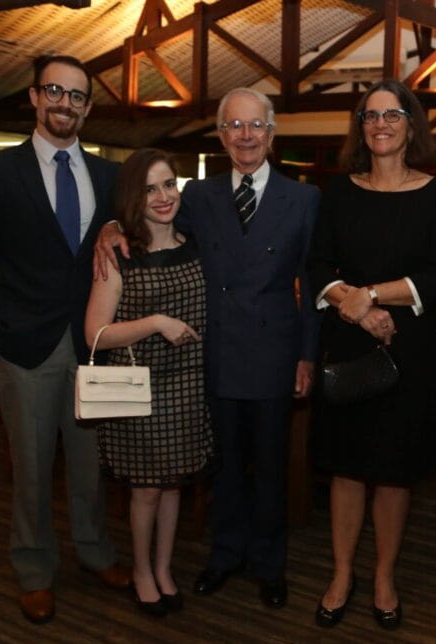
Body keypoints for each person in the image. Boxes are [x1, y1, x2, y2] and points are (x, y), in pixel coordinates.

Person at [95, 87, 321, 609]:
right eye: (234, 126)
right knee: (222, 466)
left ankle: (269, 564)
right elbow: (148, 221)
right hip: (212, 355)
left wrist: (307, 355)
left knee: (271, 468)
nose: (245, 135)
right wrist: (110, 226)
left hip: (274, 354)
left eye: (256, 125)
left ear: (271, 133)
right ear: (221, 135)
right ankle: (225, 555)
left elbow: (311, 285)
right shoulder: (198, 195)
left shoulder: (304, 199)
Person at [0, 54, 130, 625]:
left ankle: (95, 552)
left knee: (90, 465)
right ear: (34, 96)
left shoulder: (108, 176)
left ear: (87, 108)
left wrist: (117, 225)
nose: (65, 103)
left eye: (77, 96)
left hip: (92, 345)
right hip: (23, 346)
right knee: (30, 469)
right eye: (55, 91)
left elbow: (131, 239)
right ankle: (33, 569)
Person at [307, 79, 436, 631]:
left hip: (410, 351)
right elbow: (317, 265)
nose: (380, 125)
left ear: (411, 125)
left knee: (395, 473)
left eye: (392, 115)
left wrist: (371, 294)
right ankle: (342, 574)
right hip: (349, 347)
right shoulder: (338, 192)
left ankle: (384, 577)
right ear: (360, 128)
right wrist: (356, 306)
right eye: (370, 116)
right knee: (348, 470)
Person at [85, 148, 216, 617]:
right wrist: (156, 322)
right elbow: (95, 334)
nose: (163, 196)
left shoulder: (196, 243)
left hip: (188, 387)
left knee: (174, 485)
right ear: (132, 198)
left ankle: (163, 569)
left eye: (168, 184)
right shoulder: (119, 254)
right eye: (149, 189)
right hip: (140, 390)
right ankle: (142, 570)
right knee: (145, 490)